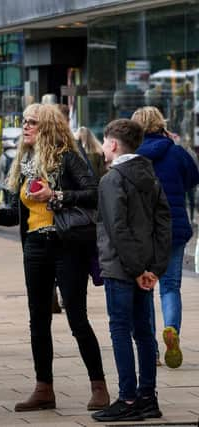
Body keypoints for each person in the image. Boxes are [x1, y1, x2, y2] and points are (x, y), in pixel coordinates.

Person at [0, 103, 109, 412]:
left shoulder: (67, 158)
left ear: (47, 126)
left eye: (32, 122)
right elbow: (21, 214)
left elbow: (93, 192)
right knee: (38, 320)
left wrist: (56, 196)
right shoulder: (26, 163)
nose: (25, 127)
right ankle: (43, 388)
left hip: (66, 245)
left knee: (76, 316)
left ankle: (98, 385)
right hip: (34, 247)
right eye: (24, 122)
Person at [92, 118, 171, 422]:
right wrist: (155, 267)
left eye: (104, 141)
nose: (102, 147)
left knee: (121, 330)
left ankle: (127, 398)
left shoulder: (111, 180)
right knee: (144, 331)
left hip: (121, 268)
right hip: (146, 268)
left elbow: (116, 228)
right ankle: (148, 398)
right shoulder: (150, 176)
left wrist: (138, 269)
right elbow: (164, 224)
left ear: (112, 144)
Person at [132, 106, 199, 369]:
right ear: (161, 124)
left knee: (145, 288)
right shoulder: (175, 151)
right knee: (170, 286)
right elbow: (194, 177)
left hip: (145, 230)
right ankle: (171, 329)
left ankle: (152, 353)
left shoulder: (133, 155)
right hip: (175, 227)